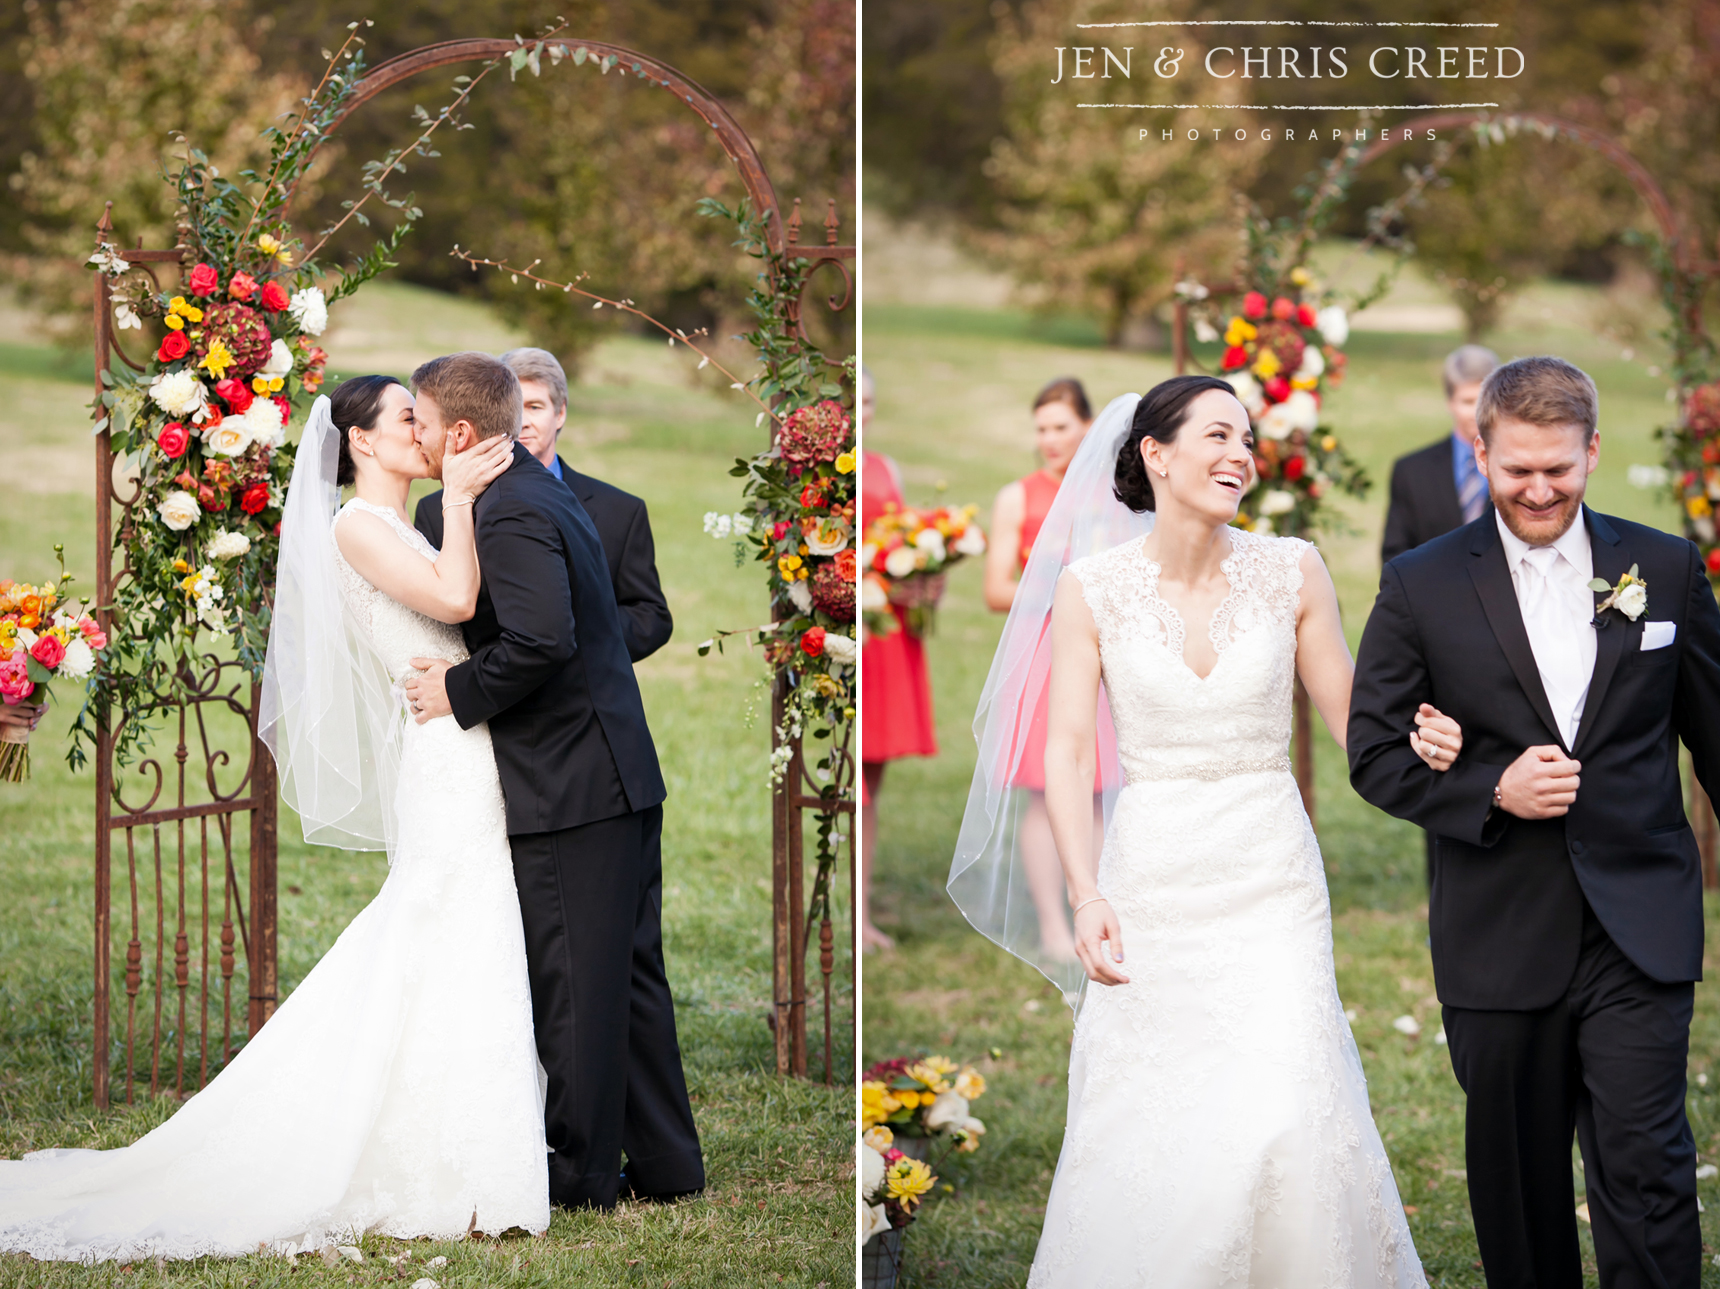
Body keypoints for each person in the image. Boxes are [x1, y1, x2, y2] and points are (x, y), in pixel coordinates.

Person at [0, 376, 539, 1258]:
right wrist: (468, 499)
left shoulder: (402, 522)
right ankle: (439, 1157)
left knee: (455, 930)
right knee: (444, 922)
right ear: (362, 441)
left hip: (456, 740)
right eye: (407, 417)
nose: (424, 429)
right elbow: (454, 604)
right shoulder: (358, 527)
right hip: (445, 752)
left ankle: (469, 1149)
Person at [949, 376, 1466, 1285]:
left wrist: (1425, 736)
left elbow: (1354, 719)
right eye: (1218, 435)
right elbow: (1067, 755)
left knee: (1291, 1092)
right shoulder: (1091, 587)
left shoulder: (1292, 568)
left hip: (1270, 867)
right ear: (1157, 453)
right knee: (1152, 1106)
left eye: (1248, 439)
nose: (1241, 455)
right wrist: (1086, 890)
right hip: (1150, 869)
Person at [1349, 355, 1720, 1289]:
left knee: (1649, 1170)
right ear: (1481, 451)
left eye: (1560, 467)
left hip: (1639, 924)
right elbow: (1374, 751)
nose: (1541, 488)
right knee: (1518, 1190)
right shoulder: (1421, 583)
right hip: (1498, 931)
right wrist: (1489, 789)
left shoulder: (1665, 567)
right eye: (1518, 470)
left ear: (1593, 448)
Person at [401, 353, 704, 1211]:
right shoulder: (537, 489)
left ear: (460, 433)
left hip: (572, 782)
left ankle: (579, 1176)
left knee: (576, 984)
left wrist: (452, 690)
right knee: (626, 976)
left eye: (421, 421)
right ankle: (670, 1163)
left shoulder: (509, 510)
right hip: (612, 775)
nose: (417, 435)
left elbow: (540, 641)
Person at [415, 347, 672, 663]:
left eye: (535, 406)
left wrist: (564, 640)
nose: (522, 422)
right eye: (516, 408)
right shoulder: (434, 510)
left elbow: (651, 616)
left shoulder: (620, 510)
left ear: (560, 412)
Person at [981, 377, 1105, 961]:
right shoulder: (1018, 497)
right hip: (1043, 656)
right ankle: (1054, 925)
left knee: (1103, 789)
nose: (1049, 439)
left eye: (1061, 426)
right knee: (1045, 790)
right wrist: (1061, 587)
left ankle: (1104, 909)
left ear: (1089, 425)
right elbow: (995, 588)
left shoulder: (1116, 495)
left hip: (1106, 656)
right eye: (1041, 429)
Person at [859, 368, 937, 951]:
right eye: (852, 401)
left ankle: (861, 913)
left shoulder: (887, 468)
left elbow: (903, 547)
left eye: (868, 402)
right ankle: (846, 915)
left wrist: (927, 582)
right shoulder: (826, 471)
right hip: (855, 630)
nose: (861, 411)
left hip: (890, 632)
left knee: (874, 781)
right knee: (850, 778)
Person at [1381, 344, 1500, 564]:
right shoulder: (1411, 472)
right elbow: (1395, 556)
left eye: (1484, 400)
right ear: (1450, 402)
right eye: (1467, 401)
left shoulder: (1522, 468)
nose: (1477, 412)